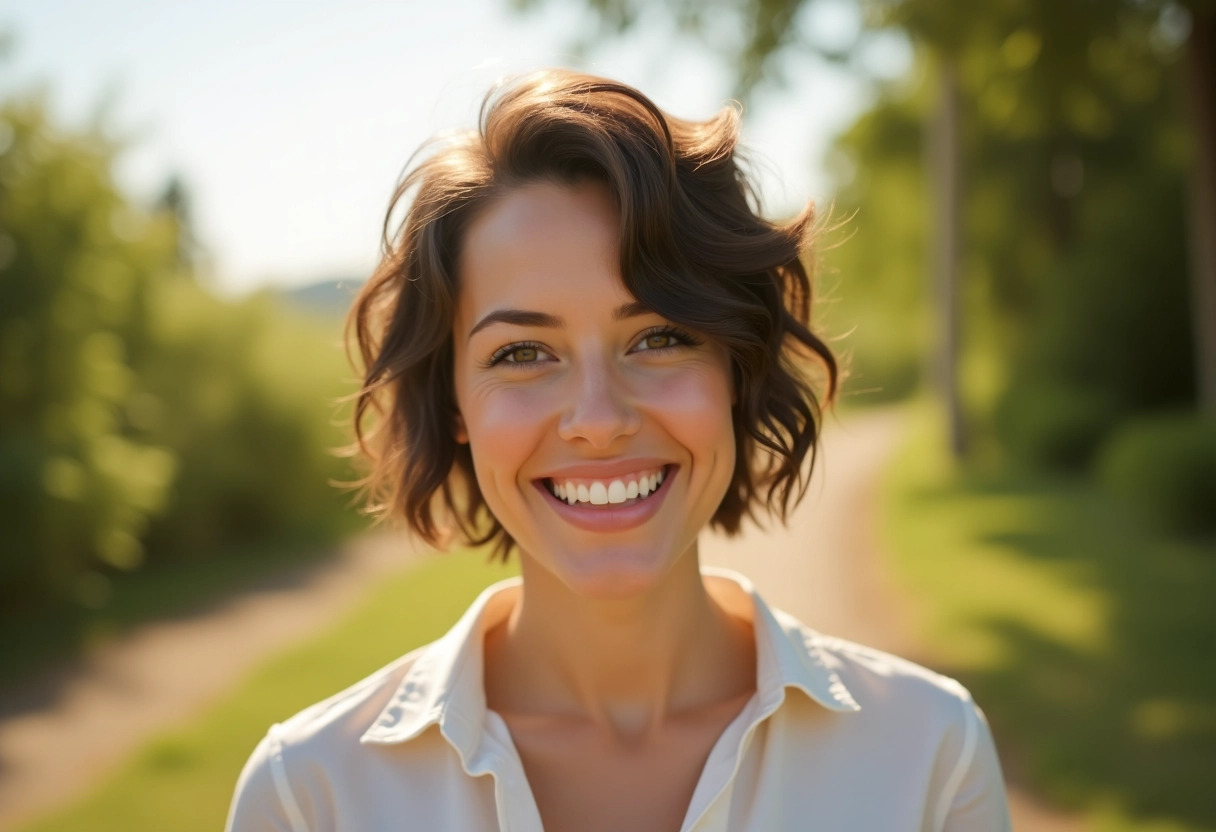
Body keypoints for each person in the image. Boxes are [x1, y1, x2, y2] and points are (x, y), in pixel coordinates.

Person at [225, 69, 1012, 832]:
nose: (597, 420)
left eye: (660, 338)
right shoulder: (310, 799)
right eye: (522, 353)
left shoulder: (928, 758)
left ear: (736, 368)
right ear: (455, 401)